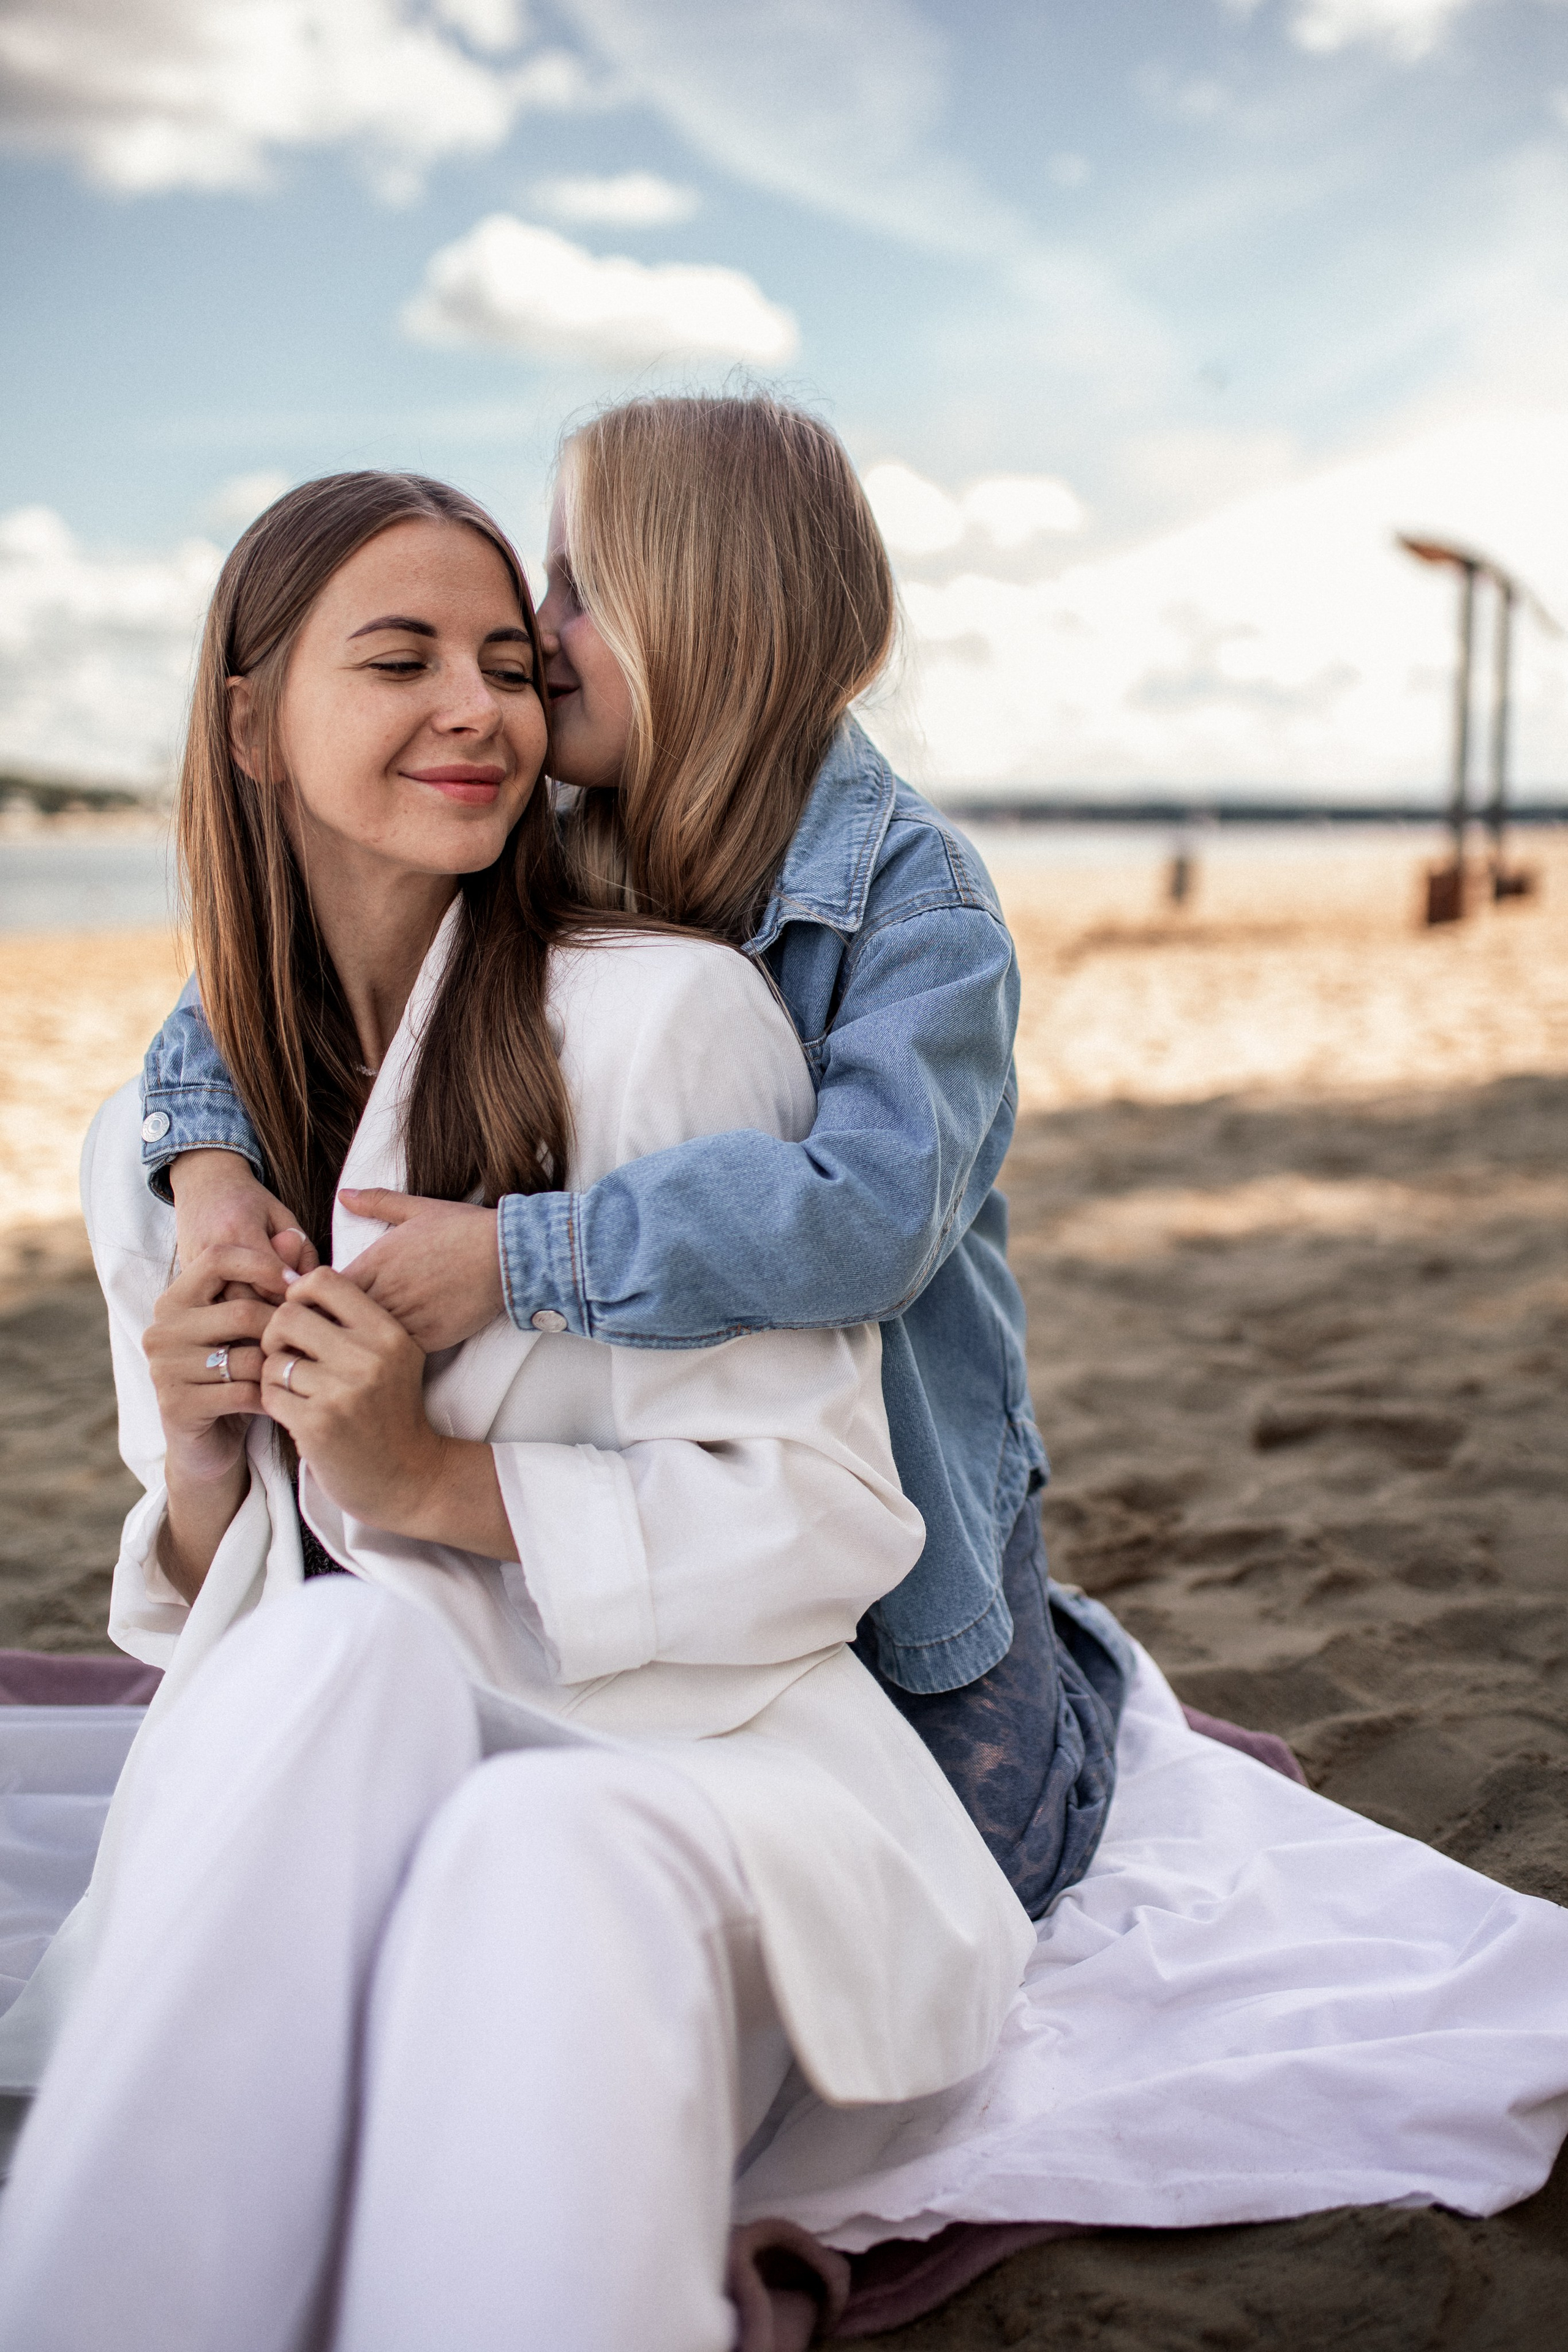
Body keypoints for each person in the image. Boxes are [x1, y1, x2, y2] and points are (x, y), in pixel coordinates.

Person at [0, 470, 1033, 2350]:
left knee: (531, 1844)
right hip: (327, 1784)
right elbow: (206, 1596)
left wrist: (433, 1477)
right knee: (329, 1669)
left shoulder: (668, 1024)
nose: (478, 706)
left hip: (682, 1762)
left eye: (507, 658)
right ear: (249, 720)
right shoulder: (164, 1158)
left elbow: (827, 1525)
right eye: (397, 660)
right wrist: (217, 1461)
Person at [138, 394, 1134, 1918]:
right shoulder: (555, 817)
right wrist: (206, 1167)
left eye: (570, 588)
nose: (531, 639)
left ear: (707, 612)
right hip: (690, 1468)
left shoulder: (912, 900)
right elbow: (242, 984)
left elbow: (866, 1217)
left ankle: (1076, 1667)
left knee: (989, 1859)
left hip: (909, 1477)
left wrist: (519, 1258)